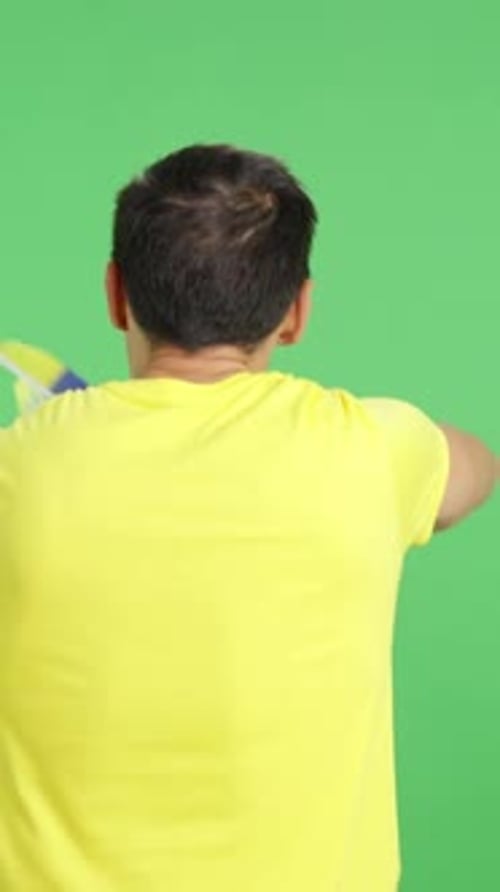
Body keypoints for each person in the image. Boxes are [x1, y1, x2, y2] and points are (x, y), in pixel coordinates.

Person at [0, 145, 497, 892]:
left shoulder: (18, 468)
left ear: (115, 294)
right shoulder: (369, 451)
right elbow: (474, 467)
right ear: (296, 309)